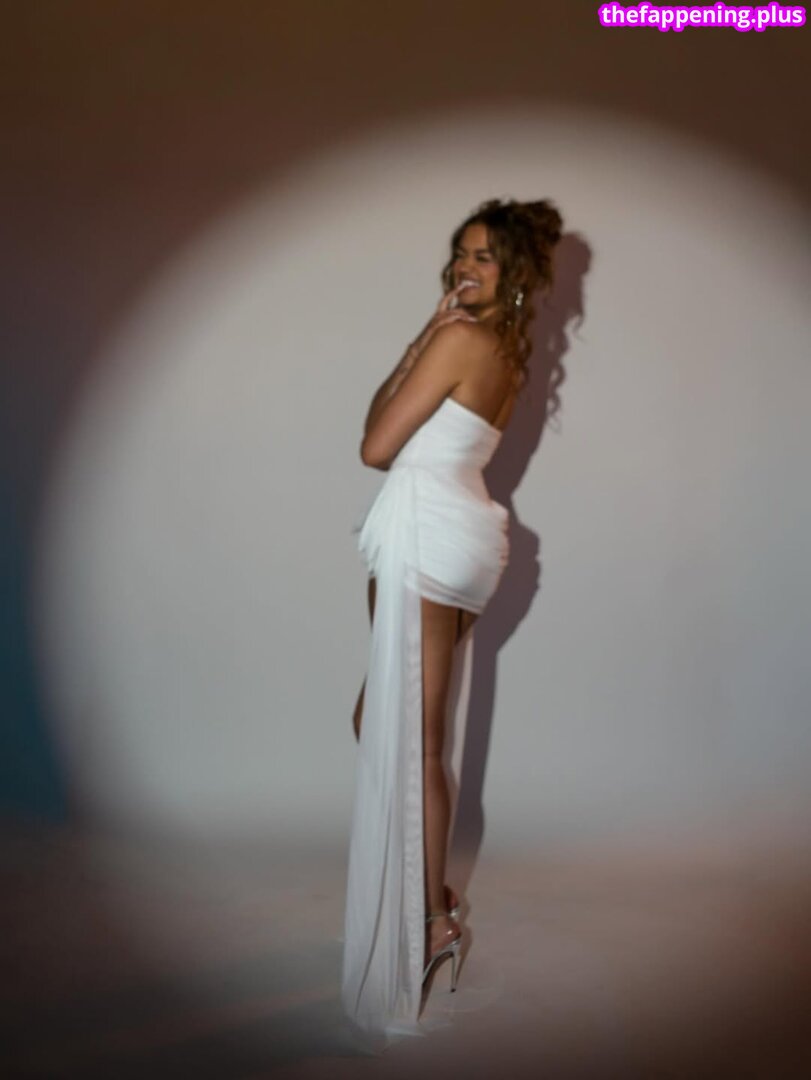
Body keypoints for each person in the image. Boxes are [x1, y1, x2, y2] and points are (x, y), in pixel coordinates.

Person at [341, 197, 563, 1046]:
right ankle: (429, 900)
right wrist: (421, 337)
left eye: (483, 257)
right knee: (383, 719)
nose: (465, 268)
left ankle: (431, 921)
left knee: (415, 737)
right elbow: (401, 427)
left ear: (514, 271)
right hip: (461, 534)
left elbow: (374, 445)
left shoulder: (460, 341)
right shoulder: (500, 347)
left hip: (429, 537)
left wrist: (425, 341)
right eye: (460, 253)